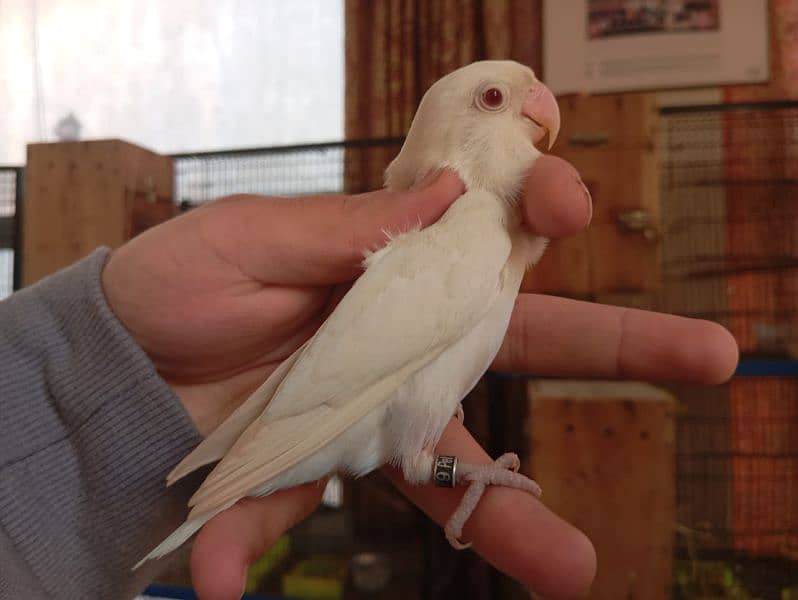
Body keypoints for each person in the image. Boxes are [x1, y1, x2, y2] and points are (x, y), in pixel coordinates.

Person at [0, 155, 737, 600]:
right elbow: (358, 385)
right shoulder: (470, 222)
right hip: (333, 407)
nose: (536, 112)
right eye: (495, 100)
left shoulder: (486, 237)